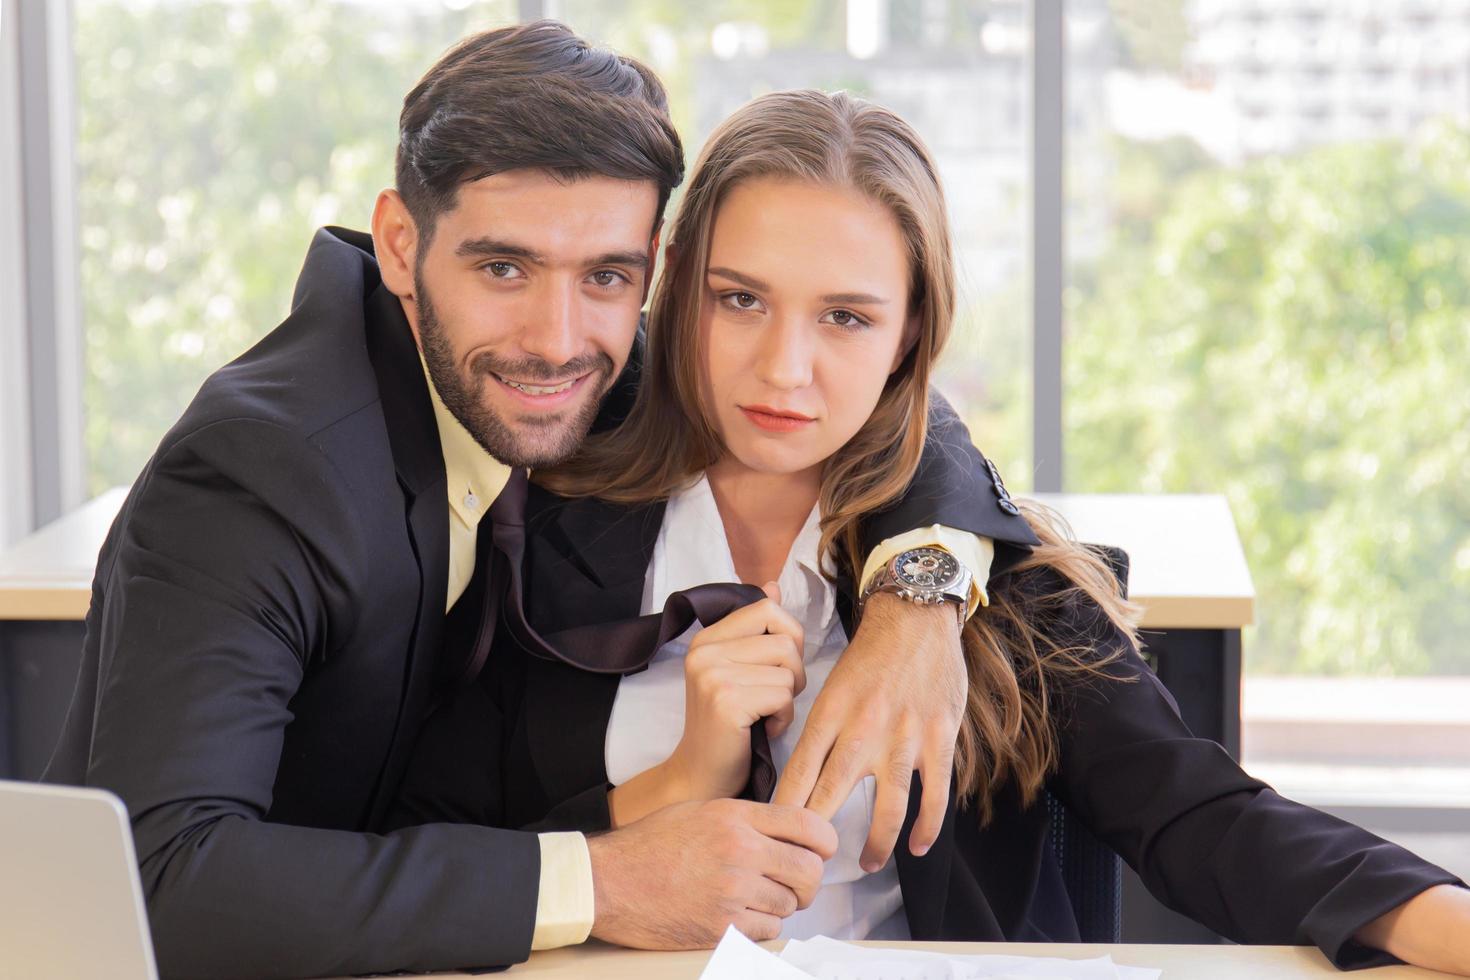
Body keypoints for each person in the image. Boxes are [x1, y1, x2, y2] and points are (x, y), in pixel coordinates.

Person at [41, 23, 1035, 980]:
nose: (557, 336)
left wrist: (922, 599)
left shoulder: (587, 361)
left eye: (608, 275)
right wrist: (603, 879)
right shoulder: (259, 474)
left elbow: (875, 400)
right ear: (398, 244)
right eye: (502, 266)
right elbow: (164, 882)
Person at [395, 89, 1470, 973]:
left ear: (913, 331)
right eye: (739, 299)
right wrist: (671, 786)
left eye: (846, 316)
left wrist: (1440, 918)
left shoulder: (997, 584)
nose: (785, 368)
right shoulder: (537, 535)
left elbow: (1198, 813)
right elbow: (424, 834)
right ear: (677, 290)